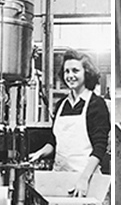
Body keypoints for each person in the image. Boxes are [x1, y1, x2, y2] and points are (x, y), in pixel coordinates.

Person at [30, 49, 110, 197]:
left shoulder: (96, 104)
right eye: (66, 71)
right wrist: (39, 153)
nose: (70, 76)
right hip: (60, 178)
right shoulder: (61, 105)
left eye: (75, 71)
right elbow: (54, 141)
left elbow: (100, 147)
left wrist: (84, 179)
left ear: (86, 73)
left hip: (86, 179)